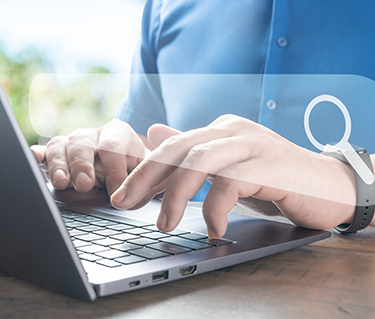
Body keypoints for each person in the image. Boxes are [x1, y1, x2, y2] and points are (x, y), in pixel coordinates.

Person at [31, 0, 375, 238]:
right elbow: (154, 144)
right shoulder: (165, 8)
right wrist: (113, 158)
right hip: (184, 277)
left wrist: (348, 182)